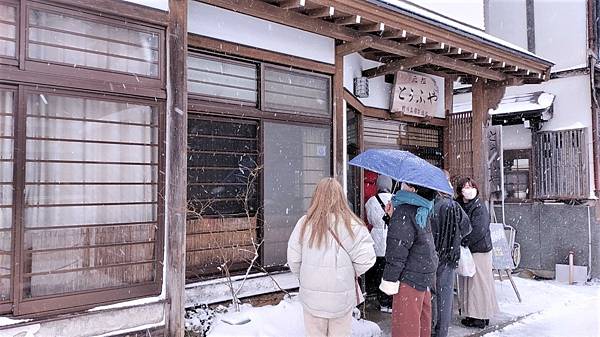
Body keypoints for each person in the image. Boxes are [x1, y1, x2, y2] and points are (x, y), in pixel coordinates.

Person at [287, 178, 376, 337]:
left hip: (312, 299)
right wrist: (348, 272)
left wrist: (307, 276)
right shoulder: (352, 225)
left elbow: (293, 260)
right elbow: (367, 259)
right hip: (341, 299)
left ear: (316, 196)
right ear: (341, 196)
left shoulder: (304, 224)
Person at [379, 182, 438, 337]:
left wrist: (389, 280)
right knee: (421, 326)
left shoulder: (405, 210)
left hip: (408, 278)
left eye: (404, 184)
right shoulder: (423, 208)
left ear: (413, 189)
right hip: (423, 275)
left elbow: (397, 250)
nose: (401, 185)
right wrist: (392, 217)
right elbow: (413, 238)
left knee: (405, 328)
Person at [430, 171, 472, 337]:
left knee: (433, 294)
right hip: (451, 256)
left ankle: (432, 328)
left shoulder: (432, 205)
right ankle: (442, 331)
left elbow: (429, 231)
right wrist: (454, 237)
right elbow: (467, 227)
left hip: (434, 255)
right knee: (446, 297)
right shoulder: (454, 206)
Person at [455, 177, 499, 329]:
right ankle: (472, 314)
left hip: (480, 250)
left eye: (470, 186)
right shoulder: (460, 205)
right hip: (469, 250)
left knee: (479, 283)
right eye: (465, 187)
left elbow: (479, 229)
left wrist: (464, 240)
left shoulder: (479, 206)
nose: (468, 189)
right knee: (468, 283)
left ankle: (481, 316)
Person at [364, 175, 394, 312]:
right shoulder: (395, 200)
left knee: (378, 272)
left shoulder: (371, 201)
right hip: (391, 237)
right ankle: (389, 300)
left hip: (376, 237)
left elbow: (369, 219)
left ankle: (380, 299)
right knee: (390, 273)